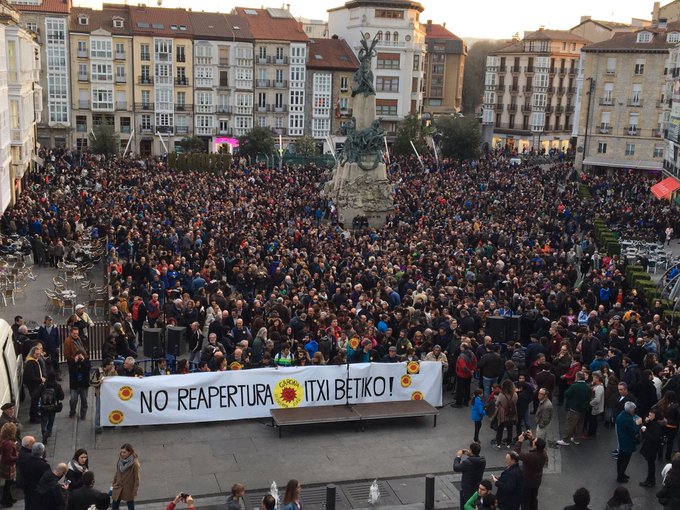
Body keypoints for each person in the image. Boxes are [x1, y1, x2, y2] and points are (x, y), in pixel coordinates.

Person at [513, 431, 547, 510]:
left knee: (525, 501)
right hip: (536, 481)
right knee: (533, 499)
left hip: (527, 482)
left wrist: (520, 441)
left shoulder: (530, 457)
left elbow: (516, 453)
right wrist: (532, 438)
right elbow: (538, 445)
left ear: (535, 446)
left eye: (534, 442)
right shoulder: (544, 454)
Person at [557, 372, 591, 446]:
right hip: (584, 409)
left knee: (570, 424)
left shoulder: (575, 386)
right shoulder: (588, 386)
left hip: (574, 409)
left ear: (577, 377)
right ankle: (576, 439)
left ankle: (566, 440)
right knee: (580, 424)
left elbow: (567, 394)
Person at [453, 442, 487, 510]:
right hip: (476, 487)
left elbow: (456, 467)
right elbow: (474, 461)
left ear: (471, 450)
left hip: (467, 489)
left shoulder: (467, 463)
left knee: (465, 505)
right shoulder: (482, 461)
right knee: (474, 504)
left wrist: (458, 457)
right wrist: (470, 455)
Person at [615, 401, 642, 483]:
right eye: (634, 409)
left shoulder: (621, 415)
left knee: (620, 459)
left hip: (622, 440)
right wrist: (638, 424)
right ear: (631, 410)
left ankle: (621, 474)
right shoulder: (628, 419)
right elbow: (634, 431)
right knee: (625, 460)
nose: (634, 410)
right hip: (627, 442)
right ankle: (620, 477)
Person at [90, 358, 117, 433]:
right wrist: (99, 382)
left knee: (108, 409)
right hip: (100, 394)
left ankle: (107, 424)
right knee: (99, 410)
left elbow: (116, 379)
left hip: (109, 395)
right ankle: (97, 426)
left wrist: (113, 372)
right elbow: (91, 382)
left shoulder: (113, 371)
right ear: (107, 365)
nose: (112, 366)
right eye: (111, 364)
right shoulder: (98, 371)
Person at [21, 442, 50, 510]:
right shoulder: (44, 466)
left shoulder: (26, 462)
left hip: (29, 492)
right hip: (40, 494)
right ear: (42, 452)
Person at [111, 443, 140, 510]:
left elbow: (137, 479)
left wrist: (134, 491)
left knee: (130, 506)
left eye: (124, 452)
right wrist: (113, 483)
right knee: (114, 506)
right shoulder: (120, 460)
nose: (122, 454)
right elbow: (117, 472)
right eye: (121, 452)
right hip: (118, 486)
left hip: (128, 489)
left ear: (130, 452)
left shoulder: (134, 464)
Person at [639, 408, 663, 487]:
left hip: (652, 448)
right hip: (650, 447)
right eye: (648, 415)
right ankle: (650, 480)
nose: (649, 417)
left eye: (650, 415)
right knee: (650, 464)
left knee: (651, 465)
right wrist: (646, 423)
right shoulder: (652, 423)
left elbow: (654, 438)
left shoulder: (657, 426)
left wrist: (645, 432)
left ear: (655, 416)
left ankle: (650, 480)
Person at [39, 372, 64, 444]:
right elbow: (62, 397)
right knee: (51, 420)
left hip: (43, 407)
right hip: (53, 407)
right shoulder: (57, 386)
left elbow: (36, 395)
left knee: (44, 420)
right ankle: (48, 432)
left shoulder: (43, 386)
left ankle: (44, 431)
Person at [23, 345, 45, 424]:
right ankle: (33, 418)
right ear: (32, 353)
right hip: (33, 385)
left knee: (35, 401)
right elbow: (30, 376)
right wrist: (40, 380)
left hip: (36, 384)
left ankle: (35, 415)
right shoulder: (30, 363)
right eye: (36, 354)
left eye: (39, 354)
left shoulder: (34, 361)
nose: (38, 356)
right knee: (34, 402)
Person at [494, 380, 518, 449]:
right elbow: (515, 403)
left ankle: (498, 444)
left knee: (500, 430)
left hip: (503, 415)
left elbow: (497, 403)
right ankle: (508, 444)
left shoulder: (501, 395)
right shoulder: (515, 394)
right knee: (510, 429)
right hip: (512, 414)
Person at [67, 350, 90, 420]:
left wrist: (83, 361)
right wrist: (75, 362)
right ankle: (72, 412)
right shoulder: (72, 362)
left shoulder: (86, 361)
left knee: (84, 400)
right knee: (73, 399)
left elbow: (87, 370)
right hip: (75, 385)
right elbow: (71, 371)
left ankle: (83, 414)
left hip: (84, 385)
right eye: (78, 355)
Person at [0, 423, 18, 507]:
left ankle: (9, 498)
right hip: (9, 467)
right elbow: (8, 458)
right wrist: (17, 457)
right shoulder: (9, 444)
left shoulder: (3, 440)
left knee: (8, 484)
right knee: (8, 484)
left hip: (5, 465)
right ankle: (6, 500)